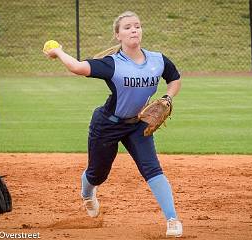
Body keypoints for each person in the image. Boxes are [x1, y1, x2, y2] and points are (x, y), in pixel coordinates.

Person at [44, 11, 183, 237]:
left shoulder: (158, 60)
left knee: (153, 169)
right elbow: (78, 67)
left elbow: (174, 79)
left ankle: (172, 219)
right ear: (118, 35)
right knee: (98, 174)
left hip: (139, 124)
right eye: (127, 27)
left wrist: (168, 97)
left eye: (137, 25)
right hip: (107, 124)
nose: (133, 30)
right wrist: (58, 51)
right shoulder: (113, 64)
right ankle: (88, 194)